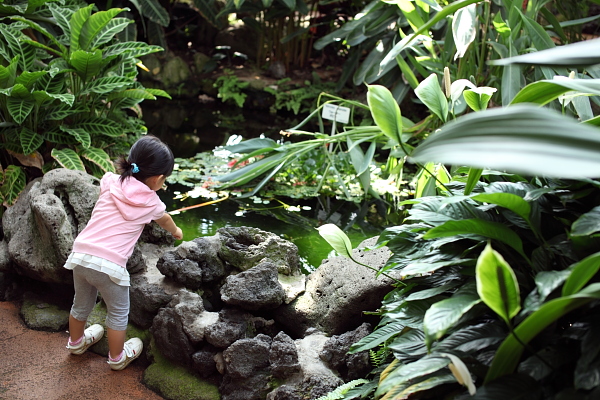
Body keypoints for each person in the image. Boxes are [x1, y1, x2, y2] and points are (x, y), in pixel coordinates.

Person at [64, 135, 183, 370]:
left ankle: (76, 343)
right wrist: (177, 231)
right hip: (110, 265)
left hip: (81, 255)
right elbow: (165, 220)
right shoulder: (152, 202)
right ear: (159, 178)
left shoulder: (110, 181)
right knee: (118, 313)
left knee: (81, 304)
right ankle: (117, 358)